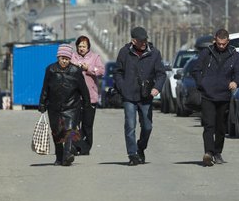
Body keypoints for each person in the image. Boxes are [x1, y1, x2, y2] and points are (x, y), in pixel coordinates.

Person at [113, 26, 167, 166]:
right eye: (141, 41)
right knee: (130, 125)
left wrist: (157, 88)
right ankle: (132, 155)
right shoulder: (125, 52)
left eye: (145, 40)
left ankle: (140, 148)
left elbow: (161, 74)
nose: (144, 43)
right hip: (129, 95)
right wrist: (122, 87)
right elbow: (117, 72)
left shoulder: (154, 53)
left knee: (147, 126)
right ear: (133, 41)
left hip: (146, 96)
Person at [191, 28, 239, 166]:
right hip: (208, 94)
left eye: (223, 44)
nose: (221, 46)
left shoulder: (234, 55)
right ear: (215, 40)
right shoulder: (206, 53)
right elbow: (196, 70)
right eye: (219, 43)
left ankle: (217, 152)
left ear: (228, 42)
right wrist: (201, 83)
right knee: (209, 125)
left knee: (220, 127)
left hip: (224, 96)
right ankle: (208, 153)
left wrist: (235, 82)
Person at [38, 44, 91, 166]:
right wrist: (42, 103)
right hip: (54, 106)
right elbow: (45, 88)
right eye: (62, 58)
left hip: (72, 106)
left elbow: (83, 89)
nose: (64, 61)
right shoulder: (50, 70)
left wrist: (87, 103)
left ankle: (67, 155)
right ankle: (59, 156)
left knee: (70, 130)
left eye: (67, 59)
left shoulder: (75, 71)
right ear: (58, 57)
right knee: (56, 132)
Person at [71, 35, 105, 155]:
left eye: (84, 46)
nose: (81, 48)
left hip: (90, 97)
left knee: (87, 125)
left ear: (88, 47)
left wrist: (88, 68)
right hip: (75, 97)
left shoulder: (95, 57)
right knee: (74, 124)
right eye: (79, 46)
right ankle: (75, 146)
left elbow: (101, 71)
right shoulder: (72, 57)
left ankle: (85, 148)